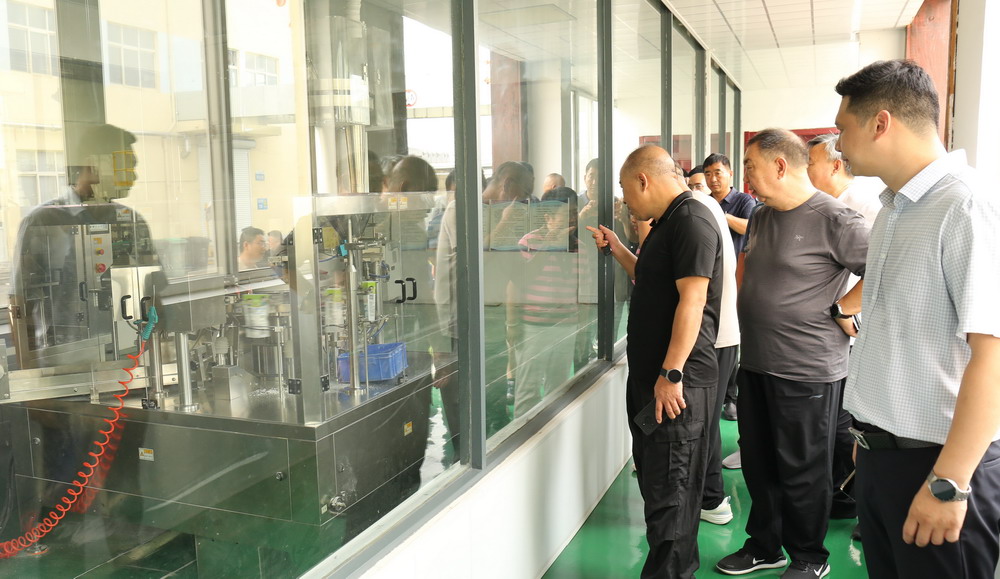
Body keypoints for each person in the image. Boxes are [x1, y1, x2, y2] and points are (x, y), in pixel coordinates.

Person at [836, 59, 1000, 579]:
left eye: (843, 129)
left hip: (939, 466)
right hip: (883, 457)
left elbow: (993, 357)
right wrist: (869, 437)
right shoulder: (894, 209)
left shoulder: (965, 205)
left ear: (880, 123)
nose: (838, 145)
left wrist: (948, 483)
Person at [716, 128, 869, 579]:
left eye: (750, 166)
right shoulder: (762, 217)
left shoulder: (834, 218)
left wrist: (844, 308)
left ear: (780, 165)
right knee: (759, 462)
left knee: (803, 468)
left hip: (808, 370)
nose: (745, 177)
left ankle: (809, 556)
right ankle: (766, 546)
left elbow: (885, 270)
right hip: (757, 362)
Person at [587, 145, 723, 578]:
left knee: (673, 498)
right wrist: (617, 248)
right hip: (654, 383)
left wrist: (671, 373)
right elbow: (649, 278)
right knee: (659, 488)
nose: (626, 201)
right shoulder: (667, 222)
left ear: (643, 180)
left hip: (676, 387)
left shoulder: (692, 221)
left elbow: (693, 300)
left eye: (625, 190)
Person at [807, 132, 884, 523]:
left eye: (811, 163)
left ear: (835, 165)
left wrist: (842, 309)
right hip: (829, 333)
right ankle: (838, 492)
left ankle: (847, 496)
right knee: (835, 419)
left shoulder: (863, 208)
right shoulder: (821, 207)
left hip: (852, 332)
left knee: (845, 421)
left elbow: (880, 270)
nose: (806, 170)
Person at [669, 165, 741, 527]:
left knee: (703, 423)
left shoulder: (692, 213)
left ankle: (711, 499)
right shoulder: (701, 207)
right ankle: (709, 496)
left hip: (711, 337)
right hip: (720, 334)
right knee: (704, 422)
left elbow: (693, 298)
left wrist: (671, 369)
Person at [806, 133, 883, 227]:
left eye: (809, 164)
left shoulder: (866, 208)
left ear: (836, 167)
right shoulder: (817, 205)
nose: (804, 170)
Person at [703, 153, 756, 256]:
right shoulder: (704, 202)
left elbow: (749, 228)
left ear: (730, 174)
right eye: (708, 175)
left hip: (736, 262)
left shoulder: (744, 200)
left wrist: (723, 217)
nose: (713, 179)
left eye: (717, 173)